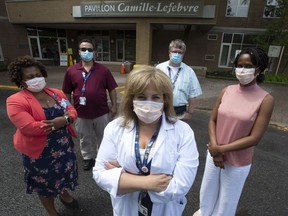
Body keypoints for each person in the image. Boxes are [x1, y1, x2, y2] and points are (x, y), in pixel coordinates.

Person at [92, 65, 199, 216]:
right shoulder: (115, 127)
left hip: (165, 210)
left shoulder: (183, 132)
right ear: (131, 99)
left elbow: (179, 186)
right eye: (141, 97)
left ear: (165, 100)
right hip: (126, 209)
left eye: (155, 97)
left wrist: (124, 176)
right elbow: (100, 174)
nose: (148, 103)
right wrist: (148, 182)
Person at [194, 47, 274, 216]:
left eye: (248, 65)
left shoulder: (265, 99)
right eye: (239, 65)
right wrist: (215, 149)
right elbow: (213, 120)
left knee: (226, 202)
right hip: (214, 153)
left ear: (259, 69)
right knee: (206, 195)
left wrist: (221, 150)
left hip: (237, 161)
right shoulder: (226, 91)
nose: (242, 70)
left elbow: (254, 138)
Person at [6, 56, 79, 216]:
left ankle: (63, 193)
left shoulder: (57, 94)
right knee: (45, 185)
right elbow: (29, 127)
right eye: (30, 77)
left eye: (38, 75)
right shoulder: (15, 101)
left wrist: (65, 119)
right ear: (21, 80)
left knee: (64, 174)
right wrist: (60, 122)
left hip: (63, 146)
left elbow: (73, 112)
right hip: (40, 154)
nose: (36, 79)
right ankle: (51, 212)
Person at [62, 38, 118, 171]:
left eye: (89, 49)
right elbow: (66, 92)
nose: (86, 52)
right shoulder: (71, 71)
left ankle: (102, 158)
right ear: (79, 52)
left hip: (101, 112)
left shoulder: (103, 70)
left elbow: (112, 89)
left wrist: (114, 106)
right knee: (84, 137)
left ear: (94, 52)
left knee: (103, 137)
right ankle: (88, 157)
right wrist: (68, 109)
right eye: (83, 49)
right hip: (81, 113)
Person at [156, 39, 202, 120]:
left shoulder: (189, 71)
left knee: (179, 132)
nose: (177, 54)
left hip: (180, 110)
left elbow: (193, 95)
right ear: (169, 53)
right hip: (161, 108)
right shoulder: (159, 68)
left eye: (180, 52)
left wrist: (190, 112)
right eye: (174, 51)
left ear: (183, 54)